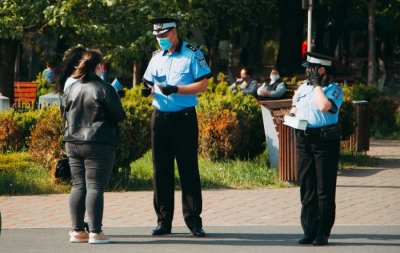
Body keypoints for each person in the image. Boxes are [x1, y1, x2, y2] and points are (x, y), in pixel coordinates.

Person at [141, 17, 212, 237]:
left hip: (184, 119)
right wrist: (148, 90)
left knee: (188, 169)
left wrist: (177, 89)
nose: (160, 40)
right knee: (161, 171)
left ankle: (193, 221)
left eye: (163, 36)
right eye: (157, 37)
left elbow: (203, 85)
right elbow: (148, 82)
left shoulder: (192, 54)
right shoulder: (156, 57)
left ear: (174, 33)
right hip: (160, 119)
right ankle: (163, 221)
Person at [62, 50, 126, 244]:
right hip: (98, 142)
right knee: (95, 186)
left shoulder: (71, 88)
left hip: (73, 142)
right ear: (99, 66)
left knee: (78, 185)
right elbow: (119, 116)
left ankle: (77, 230)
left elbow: (64, 113)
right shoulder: (104, 88)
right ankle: (96, 232)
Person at [287, 52, 343, 246]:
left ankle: (322, 232)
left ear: (321, 70)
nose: (306, 71)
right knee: (307, 187)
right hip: (304, 139)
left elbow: (323, 106)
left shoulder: (334, 89)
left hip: (324, 140)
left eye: (310, 68)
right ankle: (309, 230)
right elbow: (295, 105)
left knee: (324, 188)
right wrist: (292, 116)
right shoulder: (303, 87)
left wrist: (318, 85)